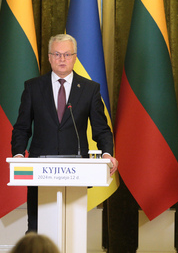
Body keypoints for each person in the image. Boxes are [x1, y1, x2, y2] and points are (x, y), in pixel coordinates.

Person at [11, 34, 118, 233]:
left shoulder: (89, 89)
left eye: (67, 54)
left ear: (75, 57)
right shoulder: (33, 87)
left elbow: (101, 128)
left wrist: (106, 153)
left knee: (72, 230)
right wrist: (18, 155)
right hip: (39, 170)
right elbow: (22, 127)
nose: (62, 59)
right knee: (36, 230)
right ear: (50, 58)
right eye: (57, 54)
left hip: (76, 169)